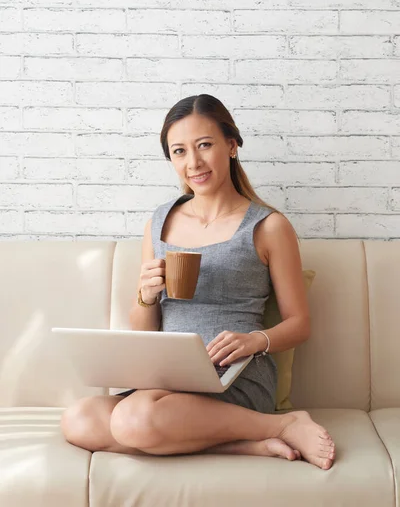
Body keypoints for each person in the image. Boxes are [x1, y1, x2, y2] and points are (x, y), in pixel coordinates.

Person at [61, 94, 335, 470]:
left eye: (204, 145)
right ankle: (249, 445)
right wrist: (145, 296)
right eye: (179, 151)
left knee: (132, 419)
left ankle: (284, 422)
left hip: (233, 374)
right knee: (78, 420)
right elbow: (143, 332)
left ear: (231, 145)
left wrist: (255, 340)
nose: (193, 163)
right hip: (167, 380)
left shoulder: (269, 226)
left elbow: (299, 324)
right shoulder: (159, 222)